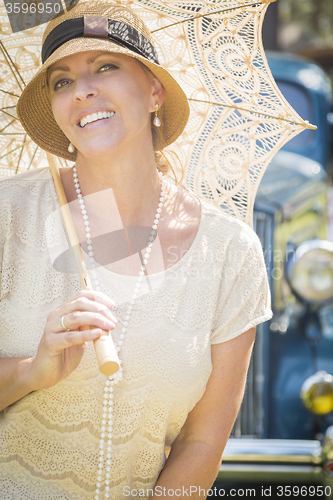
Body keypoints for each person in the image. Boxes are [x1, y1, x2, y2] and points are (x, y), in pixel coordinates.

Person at [0, 2, 273, 499]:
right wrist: (30, 371)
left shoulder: (232, 251)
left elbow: (203, 440)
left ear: (154, 91)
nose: (82, 89)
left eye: (105, 66)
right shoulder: (7, 214)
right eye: (61, 81)